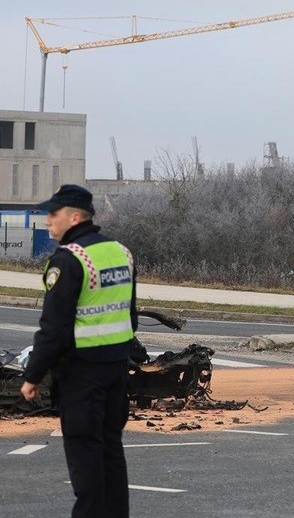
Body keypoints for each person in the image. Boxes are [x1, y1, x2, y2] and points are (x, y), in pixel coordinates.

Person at [21, 184, 137, 518]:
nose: (48, 221)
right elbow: (130, 316)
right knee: (111, 452)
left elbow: (54, 329)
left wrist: (32, 376)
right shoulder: (121, 253)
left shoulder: (69, 259)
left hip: (83, 375)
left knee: (85, 457)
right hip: (116, 370)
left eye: (53, 214)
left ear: (74, 218)